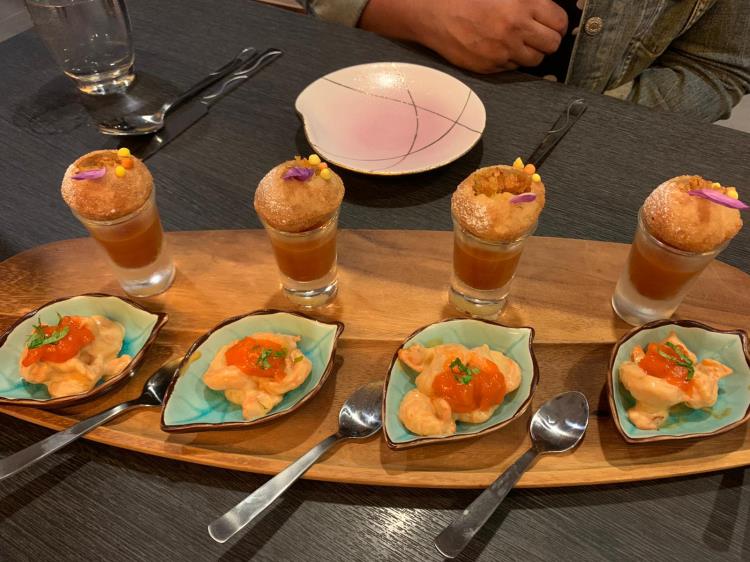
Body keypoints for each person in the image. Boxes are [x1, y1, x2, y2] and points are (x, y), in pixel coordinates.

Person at [308, 0, 750, 122]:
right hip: (375, 103)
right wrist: (428, 15)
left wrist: (591, 118)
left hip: (578, 151)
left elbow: (717, 69)